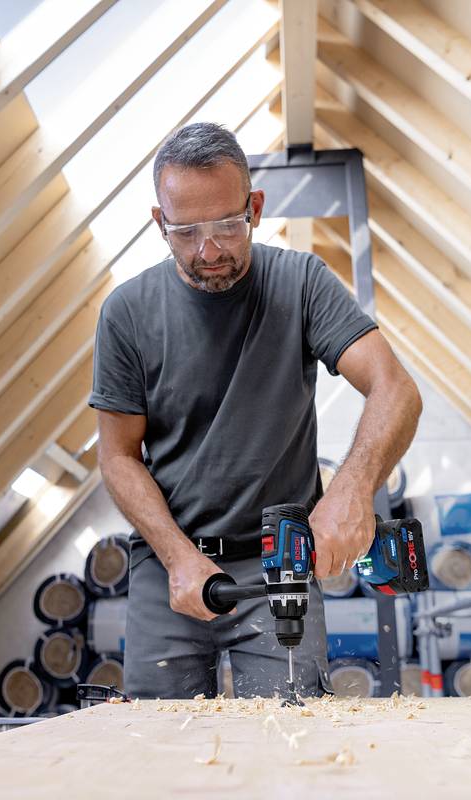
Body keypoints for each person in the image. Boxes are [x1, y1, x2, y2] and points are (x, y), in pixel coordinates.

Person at [89, 122, 421, 699]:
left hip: (282, 569)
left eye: (225, 225)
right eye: (186, 232)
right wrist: (177, 558)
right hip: (170, 566)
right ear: (159, 223)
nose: (208, 250)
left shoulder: (301, 283)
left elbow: (396, 390)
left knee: (289, 747)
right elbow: (118, 457)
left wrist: (351, 490)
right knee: (159, 750)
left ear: (256, 208)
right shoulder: (127, 313)